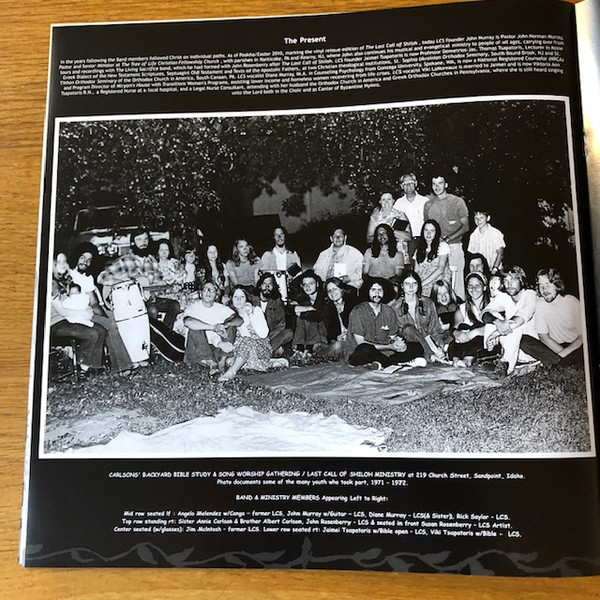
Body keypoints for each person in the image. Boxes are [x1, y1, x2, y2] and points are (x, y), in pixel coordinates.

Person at [69, 246, 136, 374]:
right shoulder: (70, 274)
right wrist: (105, 320)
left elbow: (94, 303)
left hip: (89, 311)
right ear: (76, 257)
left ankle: (131, 360)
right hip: (76, 314)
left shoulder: (87, 278)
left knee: (117, 319)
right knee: (111, 325)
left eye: (89, 260)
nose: (85, 262)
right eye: (82, 257)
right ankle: (123, 367)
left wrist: (105, 316)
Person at [346, 278, 424, 369]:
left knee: (417, 346)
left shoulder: (389, 311)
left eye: (380, 290)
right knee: (364, 349)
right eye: (373, 290)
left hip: (384, 353)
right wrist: (389, 346)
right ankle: (394, 364)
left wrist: (398, 344)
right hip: (360, 353)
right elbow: (360, 343)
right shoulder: (358, 311)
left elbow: (392, 337)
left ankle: (383, 364)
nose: (377, 293)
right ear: (367, 291)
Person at [50, 254, 107, 375]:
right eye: (59, 262)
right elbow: (62, 311)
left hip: (68, 319)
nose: (63, 264)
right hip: (55, 323)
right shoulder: (51, 284)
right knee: (92, 334)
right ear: (52, 265)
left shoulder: (65, 281)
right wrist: (83, 313)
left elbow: (73, 302)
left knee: (101, 330)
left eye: (65, 261)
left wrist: (86, 309)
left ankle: (93, 366)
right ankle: (83, 366)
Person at [218, 286, 288, 381]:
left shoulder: (256, 310)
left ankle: (232, 371)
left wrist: (250, 314)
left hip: (259, 346)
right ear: (231, 299)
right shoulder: (230, 315)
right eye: (235, 297)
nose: (239, 300)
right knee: (230, 360)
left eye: (242, 297)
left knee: (246, 342)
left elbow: (263, 334)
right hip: (241, 349)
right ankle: (266, 363)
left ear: (247, 299)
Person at [519, 268, 583, 366]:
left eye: (548, 285)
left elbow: (582, 337)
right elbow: (543, 336)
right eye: (541, 285)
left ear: (557, 285)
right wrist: (560, 356)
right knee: (524, 341)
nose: (544, 290)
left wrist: (562, 355)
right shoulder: (539, 304)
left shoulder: (572, 302)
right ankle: (562, 363)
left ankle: (556, 362)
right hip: (553, 346)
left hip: (574, 347)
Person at [482, 265, 538, 377]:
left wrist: (496, 333)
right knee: (495, 317)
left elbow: (523, 315)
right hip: (510, 345)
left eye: (513, 279)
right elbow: (484, 313)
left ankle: (506, 365)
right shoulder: (504, 296)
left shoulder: (530, 294)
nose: (509, 284)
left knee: (514, 323)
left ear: (521, 280)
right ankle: (491, 356)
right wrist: (497, 322)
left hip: (529, 347)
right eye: (506, 281)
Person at [424, 174, 469, 299]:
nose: (437, 187)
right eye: (434, 184)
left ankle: (460, 308)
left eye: (440, 183)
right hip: (435, 248)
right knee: (437, 282)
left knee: (456, 284)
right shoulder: (428, 205)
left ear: (446, 184)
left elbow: (465, 227)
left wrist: (448, 239)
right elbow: (427, 226)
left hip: (454, 246)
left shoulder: (457, 201)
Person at [183, 281, 242, 373]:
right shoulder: (193, 307)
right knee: (195, 328)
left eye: (212, 290)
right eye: (205, 289)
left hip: (218, 349)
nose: (208, 292)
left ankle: (222, 362)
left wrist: (225, 325)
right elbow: (188, 322)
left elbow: (239, 320)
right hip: (198, 349)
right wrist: (214, 327)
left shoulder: (222, 308)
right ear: (200, 294)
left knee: (231, 325)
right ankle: (211, 363)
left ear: (216, 295)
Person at [390, 270, 447, 362]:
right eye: (407, 284)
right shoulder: (395, 307)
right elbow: (395, 333)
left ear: (418, 285)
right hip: (410, 345)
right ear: (402, 286)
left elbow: (435, 329)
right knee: (408, 328)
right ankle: (431, 354)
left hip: (429, 341)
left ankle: (434, 353)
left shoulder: (428, 303)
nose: (411, 287)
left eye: (414, 283)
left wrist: (440, 345)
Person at [447, 271, 495, 366]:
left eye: (477, 286)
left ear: (484, 287)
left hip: (484, 343)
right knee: (463, 327)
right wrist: (457, 333)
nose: (474, 289)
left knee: (477, 328)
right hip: (465, 343)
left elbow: (495, 326)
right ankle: (456, 359)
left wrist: (474, 332)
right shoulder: (462, 308)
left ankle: (468, 359)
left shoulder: (494, 304)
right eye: (470, 286)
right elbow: (454, 328)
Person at [253, 272, 293, 357]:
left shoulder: (277, 302)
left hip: (270, 336)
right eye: (264, 284)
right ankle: (270, 350)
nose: (267, 287)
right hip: (253, 336)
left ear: (273, 287)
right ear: (260, 286)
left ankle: (264, 352)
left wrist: (267, 336)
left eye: (270, 284)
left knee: (288, 333)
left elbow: (281, 325)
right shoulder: (252, 299)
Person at [290, 270, 330, 355]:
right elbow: (288, 310)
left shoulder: (324, 297)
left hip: (323, 334)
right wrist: (307, 308)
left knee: (307, 317)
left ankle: (304, 347)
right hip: (307, 334)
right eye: (305, 284)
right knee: (304, 316)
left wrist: (300, 312)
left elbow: (318, 315)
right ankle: (302, 347)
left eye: (311, 283)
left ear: (317, 284)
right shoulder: (303, 297)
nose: (307, 287)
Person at [393, 172, 430, 258]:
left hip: (423, 240)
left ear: (415, 183)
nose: (408, 186)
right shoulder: (398, 203)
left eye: (411, 183)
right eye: (405, 184)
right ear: (401, 186)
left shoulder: (425, 201)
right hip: (405, 242)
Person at [413, 219, 452, 298]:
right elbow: (416, 271)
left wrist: (422, 284)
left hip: (437, 285)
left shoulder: (442, 246)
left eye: (432, 231)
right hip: (421, 285)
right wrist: (415, 284)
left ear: (436, 233)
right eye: (426, 230)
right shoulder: (419, 249)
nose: (428, 233)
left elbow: (440, 269)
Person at [323, 277, 358, 359]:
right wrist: (336, 337)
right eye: (329, 291)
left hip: (354, 338)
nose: (332, 293)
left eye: (335, 289)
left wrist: (348, 334)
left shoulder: (352, 303)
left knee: (337, 347)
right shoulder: (328, 308)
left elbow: (358, 326)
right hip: (339, 340)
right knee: (336, 346)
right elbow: (330, 331)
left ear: (342, 289)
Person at [467, 208, 505, 274]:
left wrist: (495, 269)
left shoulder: (495, 233)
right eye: (476, 218)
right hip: (481, 270)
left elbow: (500, 254)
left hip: (495, 270)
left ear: (488, 218)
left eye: (481, 217)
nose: (478, 220)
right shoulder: (473, 235)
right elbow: (473, 256)